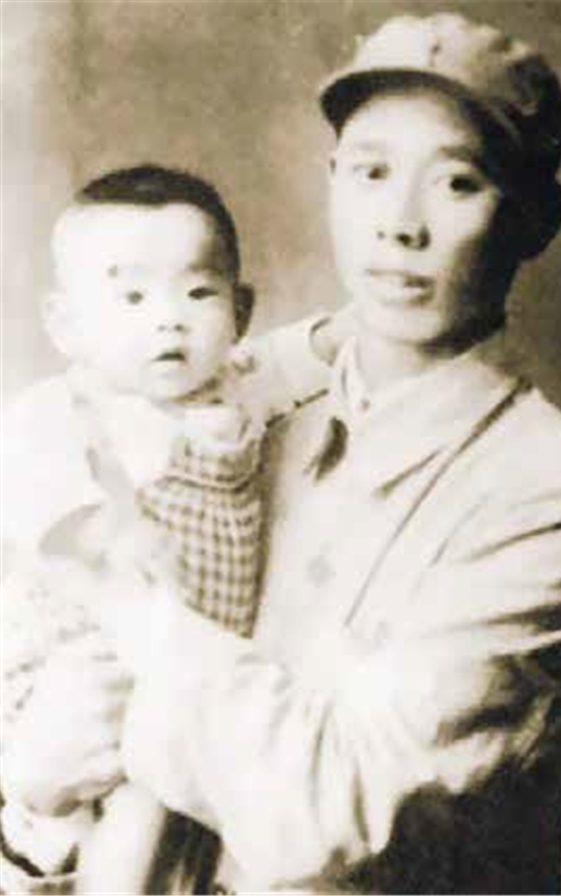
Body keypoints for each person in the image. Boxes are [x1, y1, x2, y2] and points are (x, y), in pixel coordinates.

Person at [3, 12, 561, 895]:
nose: (400, 225)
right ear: (332, 181)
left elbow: (337, 812)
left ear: (533, 219)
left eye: (458, 182)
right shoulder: (237, 394)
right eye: (373, 173)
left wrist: (126, 608)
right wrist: (31, 799)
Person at [0, 165, 340, 894]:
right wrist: (111, 535)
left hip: (180, 655)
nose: (168, 319)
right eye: (130, 297)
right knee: (131, 802)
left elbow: (302, 356)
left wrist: (349, 333)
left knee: (173, 806)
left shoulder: (234, 389)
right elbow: (41, 505)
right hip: (82, 650)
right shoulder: (63, 411)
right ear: (65, 324)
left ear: (240, 311)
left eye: (197, 293)